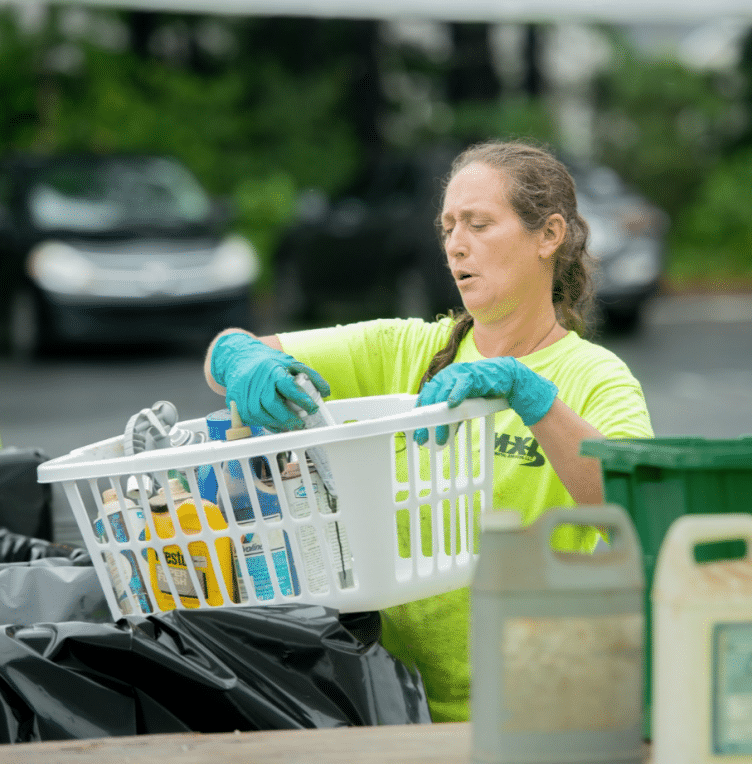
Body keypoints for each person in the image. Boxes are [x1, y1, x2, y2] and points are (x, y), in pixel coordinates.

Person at [203, 139, 654, 722]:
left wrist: (534, 398)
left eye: (479, 224)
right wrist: (241, 360)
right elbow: (225, 354)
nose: (456, 245)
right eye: (447, 228)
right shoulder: (407, 348)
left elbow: (631, 504)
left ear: (549, 236)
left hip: (537, 710)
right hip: (396, 706)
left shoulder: (593, 376)